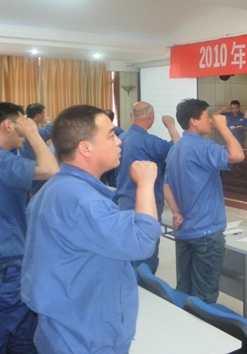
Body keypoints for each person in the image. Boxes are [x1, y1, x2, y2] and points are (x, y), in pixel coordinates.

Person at [20, 105, 160, 354]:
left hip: (63, 326)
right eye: (110, 135)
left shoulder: (56, 187)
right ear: (85, 148)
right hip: (86, 337)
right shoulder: (84, 200)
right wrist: (146, 184)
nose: (119, 141)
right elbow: (143, 241)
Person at [163, 99, 244, 303]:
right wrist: (223, 127)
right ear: (193, 121)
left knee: (185, 289)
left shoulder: (176, 149)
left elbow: (166, 186)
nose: (210, 120)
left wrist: (176, 212)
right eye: (206, 116)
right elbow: (237, 155)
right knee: (204, 296)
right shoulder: (203, 147)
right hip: (206, 232)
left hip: (185, 231)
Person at [0, 102, 58, 353]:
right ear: (8, 125)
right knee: (18, 328)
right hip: (8, 262)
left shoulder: (9, 157)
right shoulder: (3, 161)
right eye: (21, 122)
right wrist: (33, 133)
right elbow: (51, 169)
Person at [115, 101, 181, 273]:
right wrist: (171, 127)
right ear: (151, 117)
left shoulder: (121, 139)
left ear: (131, 116)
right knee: (145, 259)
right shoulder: (149, 141)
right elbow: (180, 150)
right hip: (145, 207)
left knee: (127, 254)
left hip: (122, 203)